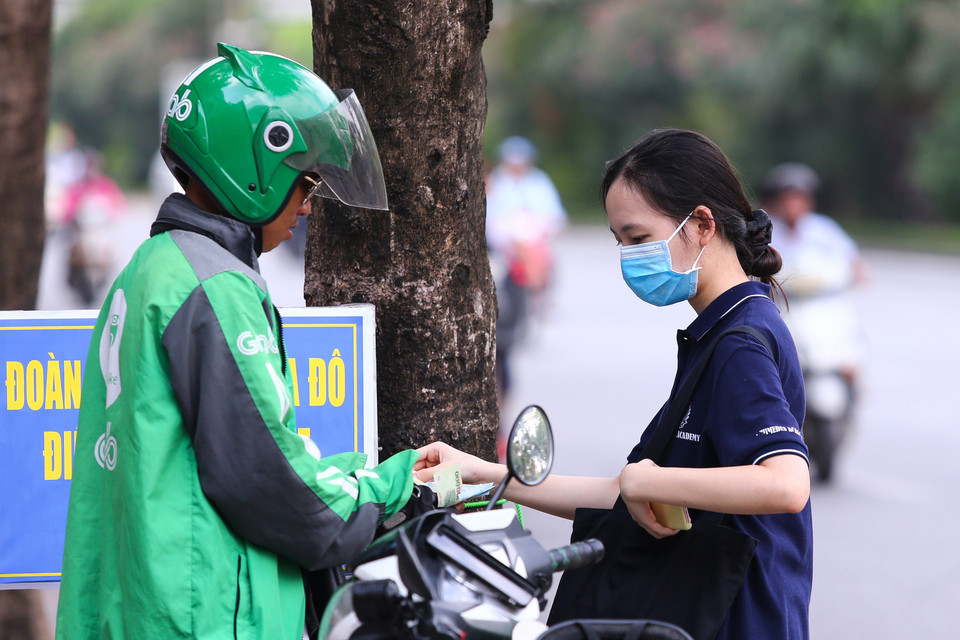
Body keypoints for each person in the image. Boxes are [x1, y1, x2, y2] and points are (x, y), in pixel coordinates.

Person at [56, 43, 422, 640]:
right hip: (203, 614)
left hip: (148, 606)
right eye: (307, 181)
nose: (309, 206)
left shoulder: (152, 267)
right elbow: (272, 482)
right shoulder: (214, 287)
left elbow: (221, 453)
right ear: (256, 170)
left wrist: (365, 476)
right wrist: (402, 487)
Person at [417, 129, 813, 640]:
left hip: (741, 619)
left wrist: (646, 482)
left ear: (701, 225)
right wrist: (482, 474)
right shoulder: (721, 328)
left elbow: (785, 484)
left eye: (638, 238)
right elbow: (622, 493)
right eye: (619, 241)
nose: (628, 256)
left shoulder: (738, 341)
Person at [485, 136, 566, 430]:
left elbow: (554, 218)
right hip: (503, 262)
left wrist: (532, 236)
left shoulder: (538, 183)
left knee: (504, 352)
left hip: (524, 262)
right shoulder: (496, 183)